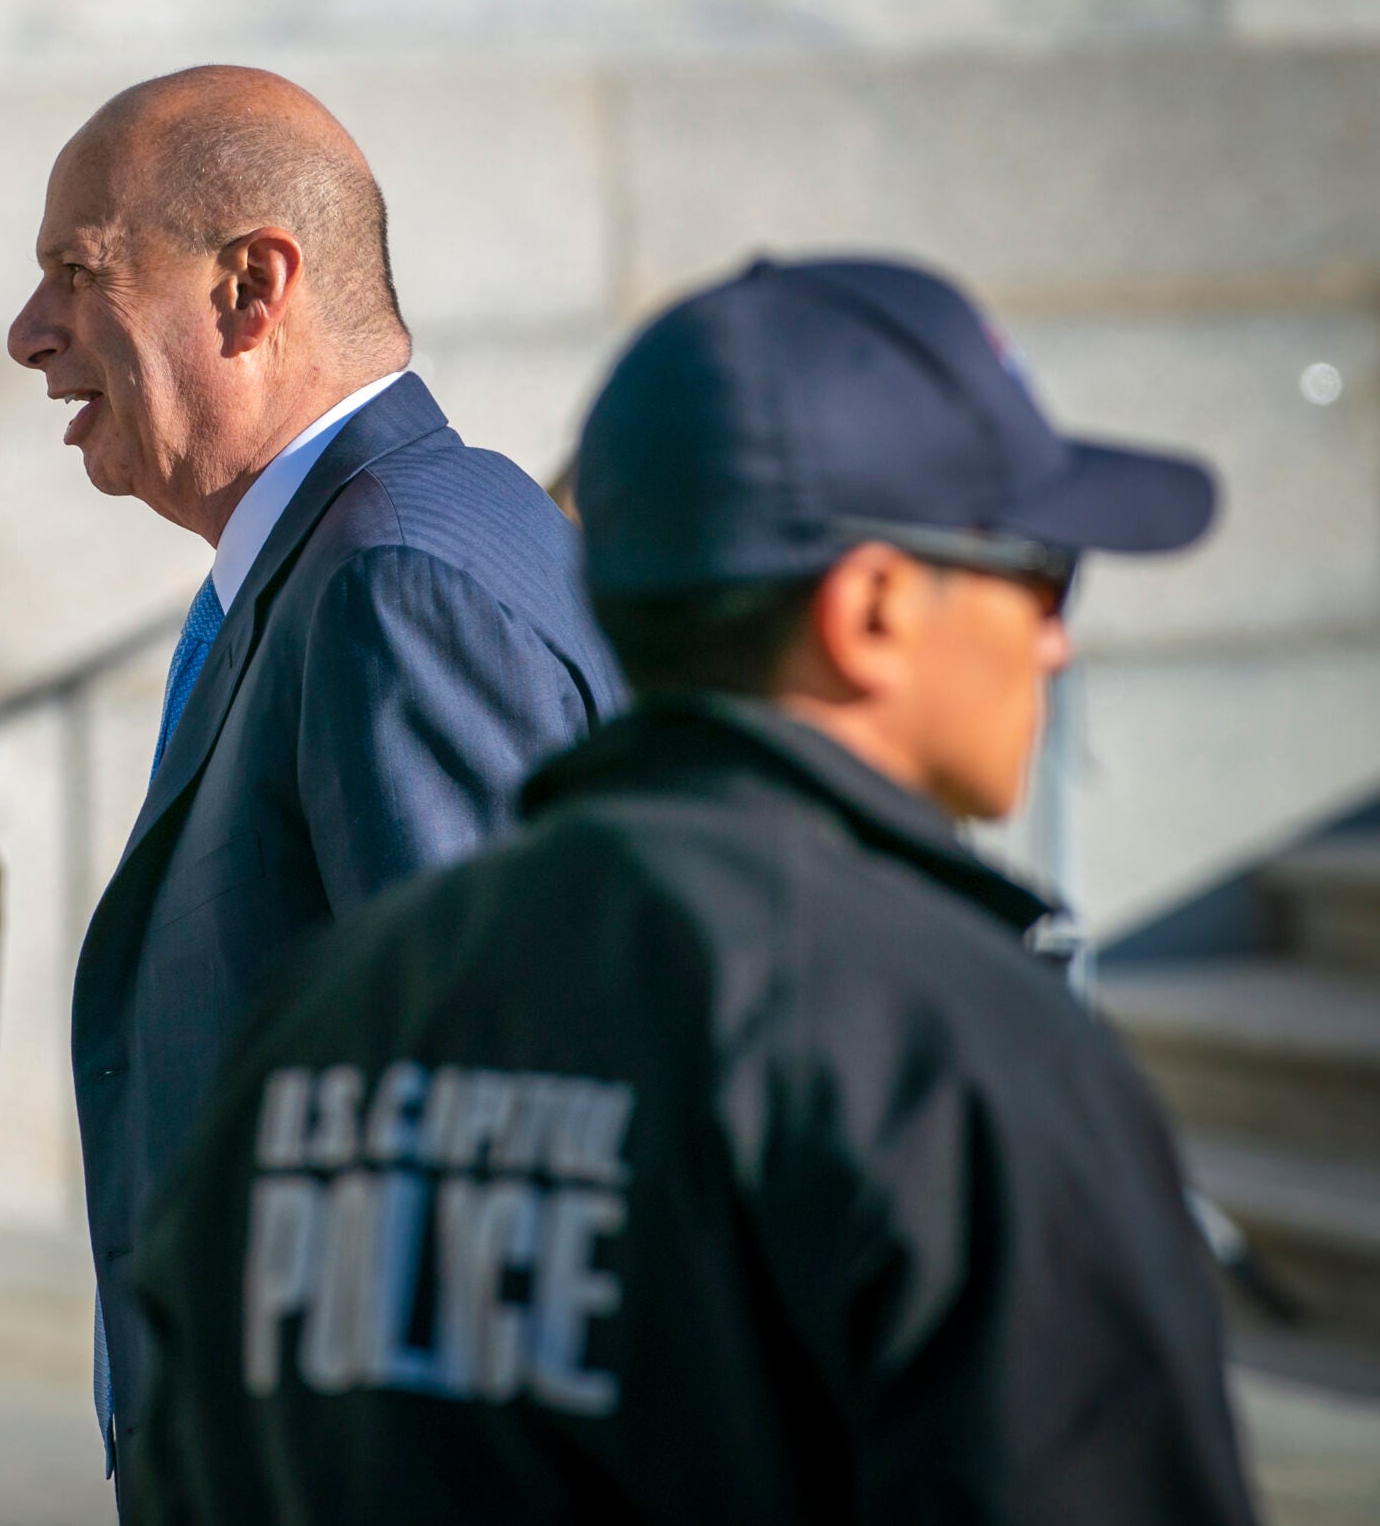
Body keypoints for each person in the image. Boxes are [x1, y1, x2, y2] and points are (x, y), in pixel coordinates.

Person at [128, 256, 1258, 1525]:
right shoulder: (953, 1051)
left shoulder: (330, 1017)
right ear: (870, 609)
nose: (1056, 640)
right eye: (1043, 574)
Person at [4, 65, 624, 1485]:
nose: (31, 332)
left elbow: (501, 1148)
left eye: (78, 272)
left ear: (249, 287)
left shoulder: (394, 583)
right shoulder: (359, 551)